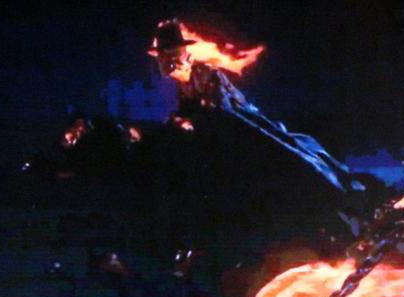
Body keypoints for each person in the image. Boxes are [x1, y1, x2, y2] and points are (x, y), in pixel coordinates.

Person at [147, 18, 359, 196]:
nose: (165, 59)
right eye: (162, 54)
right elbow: (187, 111)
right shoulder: (181, 86)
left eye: (170, 51)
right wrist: (179, 121)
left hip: (243, 126)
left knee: (287, 153)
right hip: (219, 134)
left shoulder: (205, 73)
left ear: (182, 51)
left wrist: (198, 116)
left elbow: (224, 109)